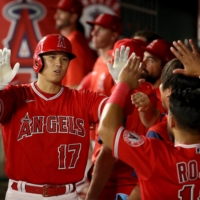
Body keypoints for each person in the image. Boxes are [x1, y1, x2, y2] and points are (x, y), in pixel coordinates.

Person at [0, 34, 112, 200]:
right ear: (38, 61)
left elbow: (117, 111)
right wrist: (0, 86)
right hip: (21, 194)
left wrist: (121, 83)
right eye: (52, 57)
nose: (59, 63)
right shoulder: (16, 95)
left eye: (64, 59)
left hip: (67, 195)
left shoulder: (83, 99)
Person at [98, 53, 200, 199]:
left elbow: (106, 129)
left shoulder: (155, 155)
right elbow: (156, 118)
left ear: (171, 122)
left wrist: (122, 84)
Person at [85, 38, 163, 200]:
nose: (111, 64)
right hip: (148, 186)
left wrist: (90, 197)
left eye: (115, 60)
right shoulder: (156, 96)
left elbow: (106, 156)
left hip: (122, 186)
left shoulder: (124, 100)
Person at [53, 0, 96, 89]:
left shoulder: (72, 42)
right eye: (57, 12)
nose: (56, 16)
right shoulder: (73, 39)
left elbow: (75, 86)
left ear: (73, 17)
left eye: (62, 13)